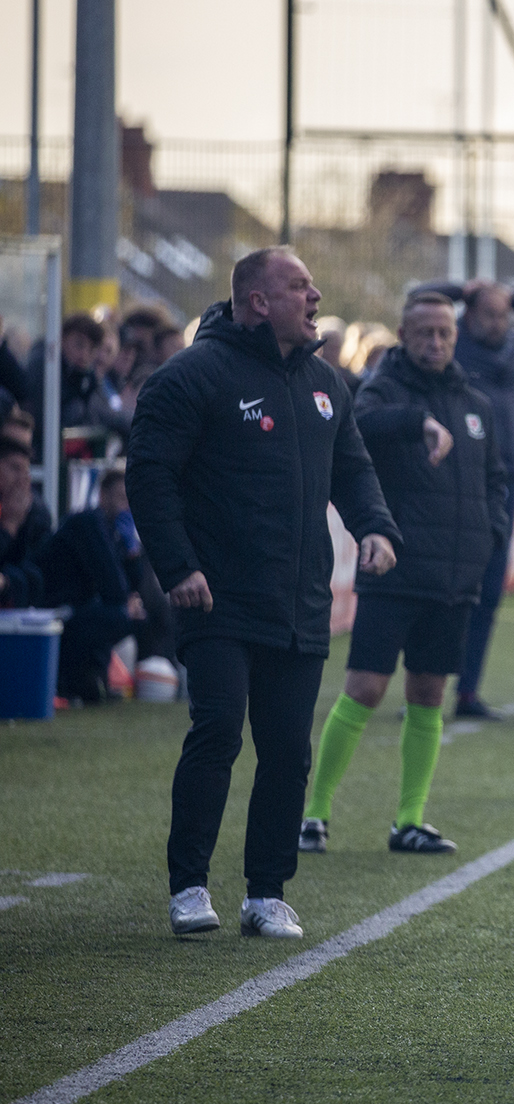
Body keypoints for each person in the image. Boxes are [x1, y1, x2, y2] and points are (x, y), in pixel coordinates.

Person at [128, 246, 400, 941]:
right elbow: (150, 479)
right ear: (257, 302)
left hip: (299, 600)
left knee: (287, 749)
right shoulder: (192, 376)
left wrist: (374, 526)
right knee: (218, 730)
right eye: (299, 286)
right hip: (214, 598)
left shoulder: (326, 384)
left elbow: (355, 469)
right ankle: (189, 885)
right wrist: (178, 566)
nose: (314, 298)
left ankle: (266, 892)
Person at [300, 291, 510, 856]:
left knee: (428, 694)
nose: (436, 343)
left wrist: (491, 533)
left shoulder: (475, 404)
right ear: (404, 334)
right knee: (365, 688)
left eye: (444, 333)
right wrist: (418, 421)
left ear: (454, 335)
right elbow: (360, 426)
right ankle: (313, 814)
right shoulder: (381, 390)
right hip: (395, 569)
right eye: (425, 334)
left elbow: (496, 479)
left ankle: (409, 821)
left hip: (454, 578)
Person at [416, 278, 514, 719]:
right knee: (442, 590)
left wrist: (512, 291)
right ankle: (422, 684)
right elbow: (417, 299)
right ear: (468, 314)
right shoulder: (454, 349)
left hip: (504, 485)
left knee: (488, 592)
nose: (499, 323)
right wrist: (464, 288)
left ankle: (468, 693)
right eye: (490, 314)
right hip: (458, 483)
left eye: (505, 315)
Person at [35, 466, 146, 702]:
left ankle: (90, 681)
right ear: (103, 496)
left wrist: (133, 551)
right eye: (121, 499)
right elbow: (115, 588)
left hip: (75, 611)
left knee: (132, 616)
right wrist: (127, 606)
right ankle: (74, 681)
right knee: (118, 616)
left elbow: (134, 586)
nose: (126, 508)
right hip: (52, 612)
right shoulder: (89, 523)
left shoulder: (112, 533)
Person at [0, 435, 50, 609]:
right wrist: (9, 527)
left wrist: (21, 522)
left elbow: (21, 561)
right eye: (14, 468)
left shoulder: (33, 509)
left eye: (25, 471)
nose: (21, 478)